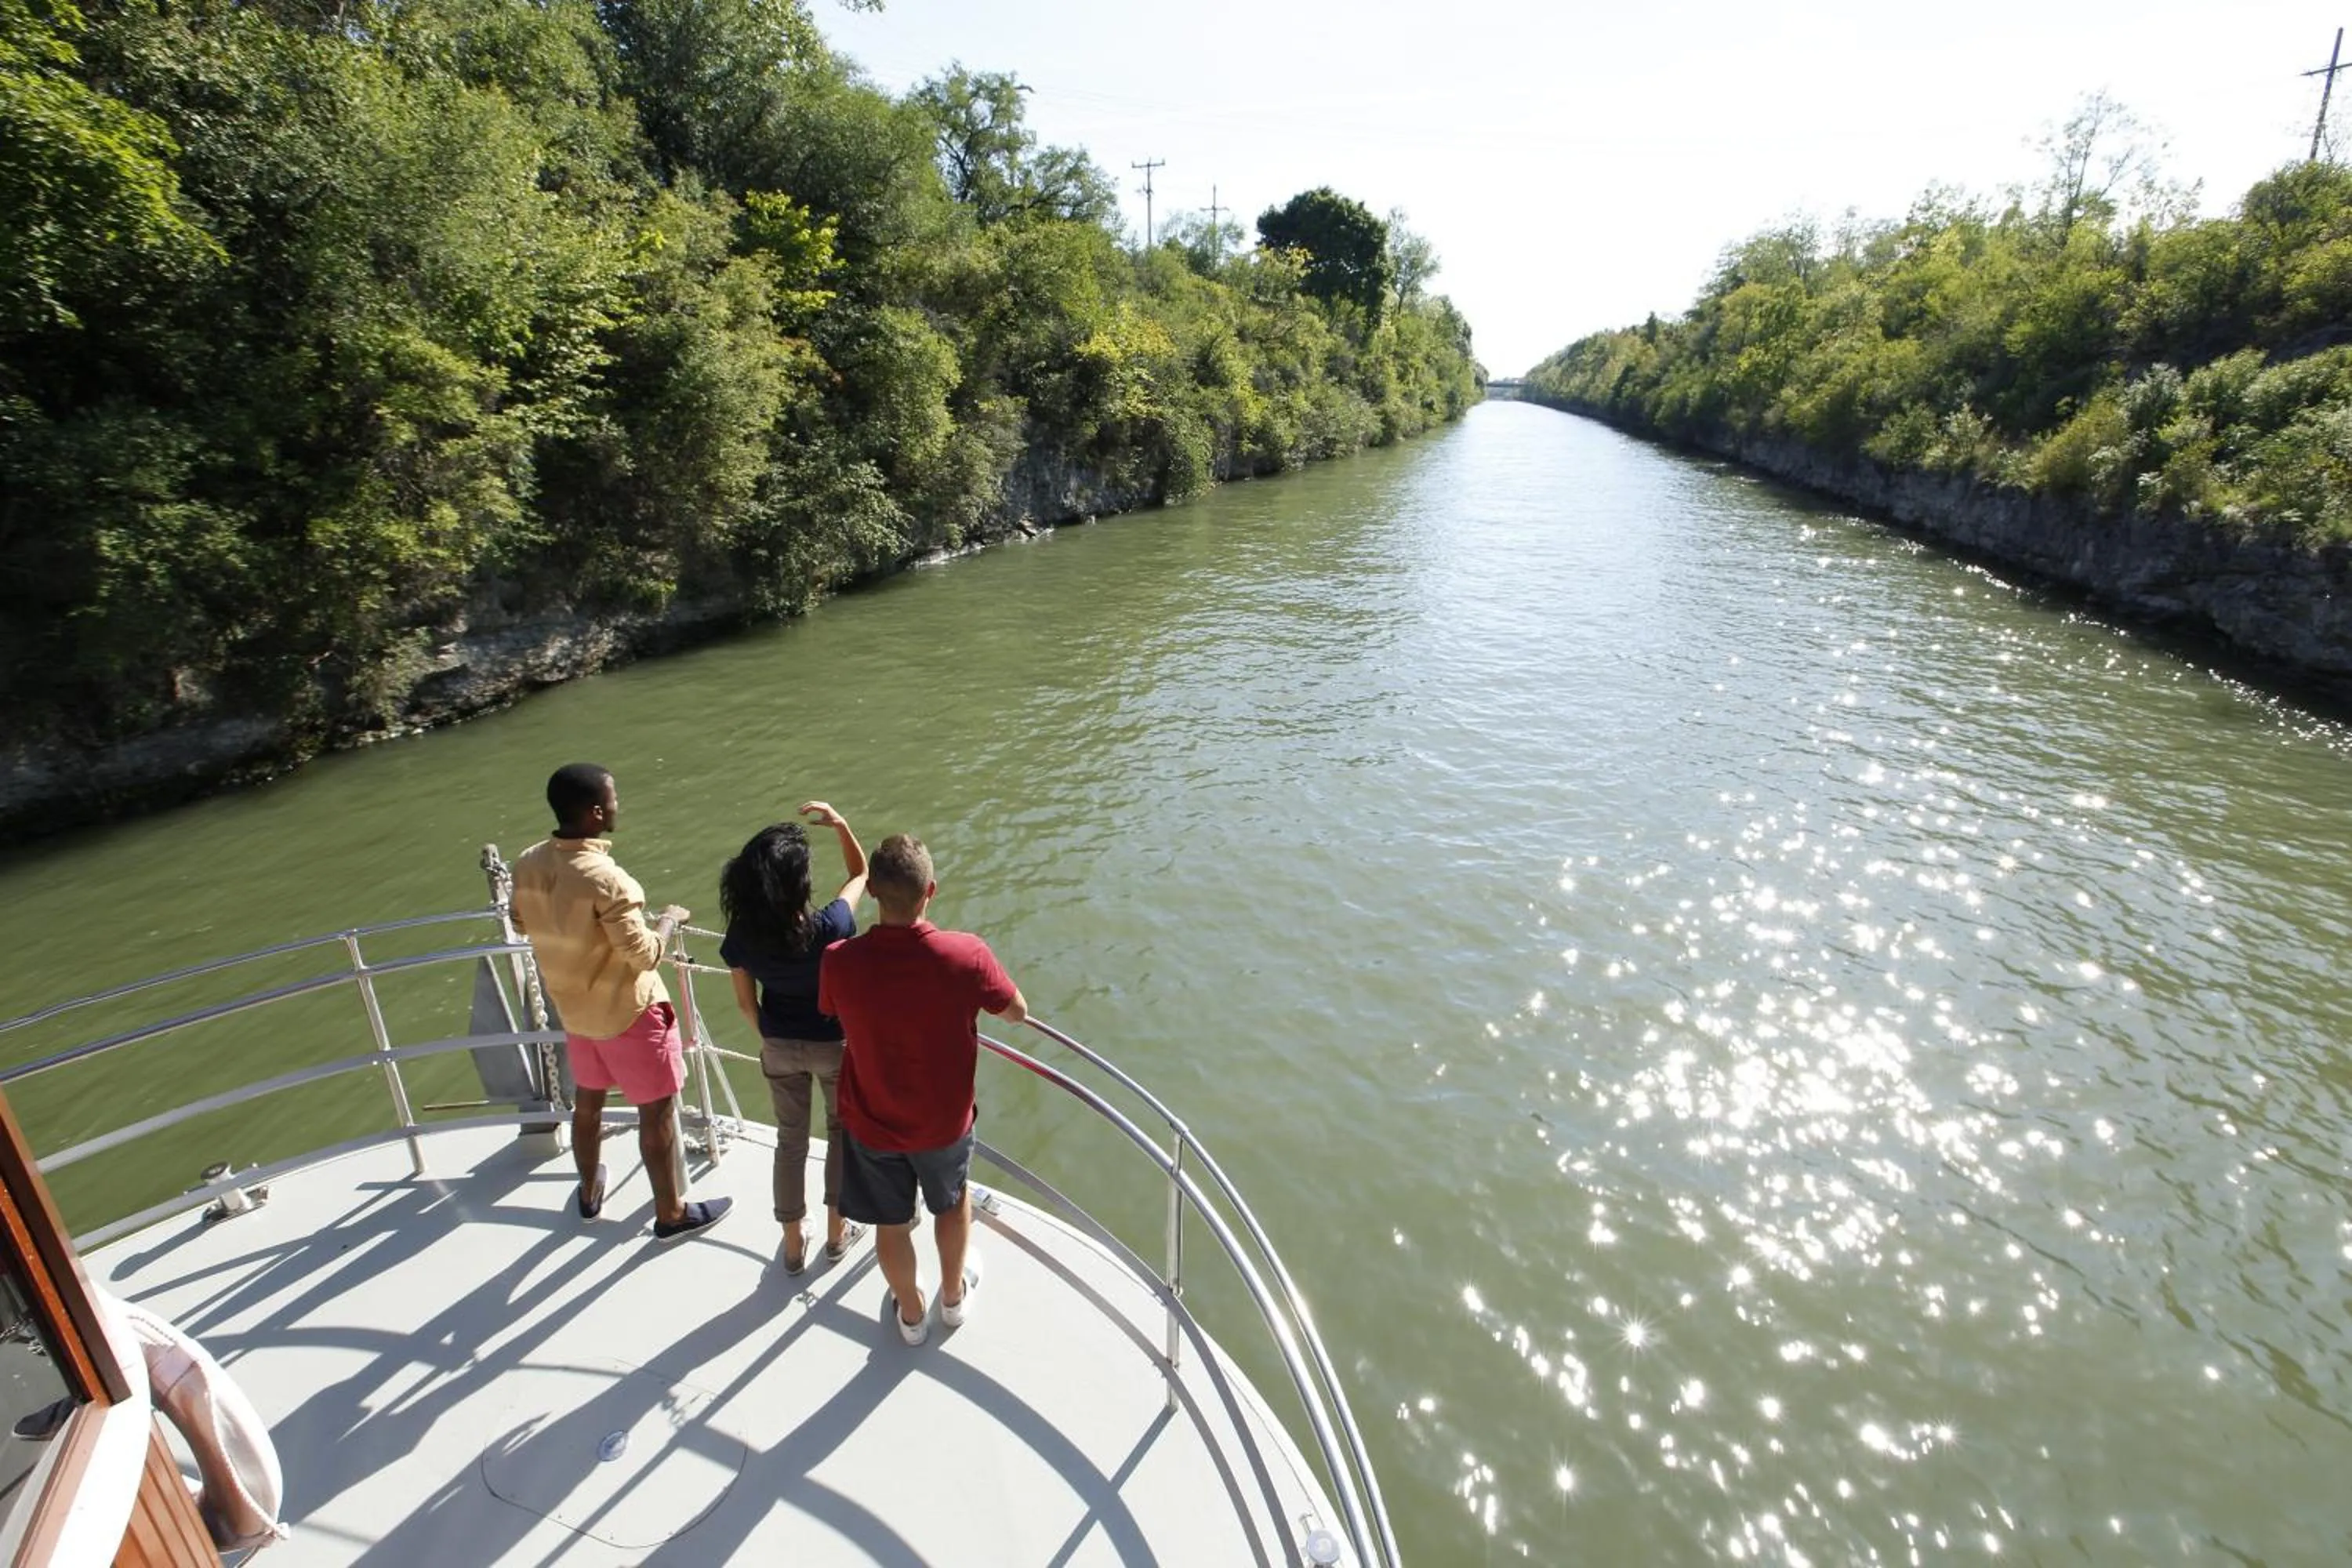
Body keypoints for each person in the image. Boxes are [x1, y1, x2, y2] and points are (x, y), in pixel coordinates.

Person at [510, 763, 731, 1243]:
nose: (617, 806)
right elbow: (645, 955)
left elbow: (522, 922)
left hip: (575, 1012)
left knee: (587, 1104)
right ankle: (671, 1213)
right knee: (657, 1113)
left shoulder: (528, 862)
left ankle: (589, 1192)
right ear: (595, 813)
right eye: (613, 800)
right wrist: (669, 919)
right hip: (629, 1013)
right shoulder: (607, 879)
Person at [819, 833, 1027, 1345]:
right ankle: (953, 1299)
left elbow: (829, 1010)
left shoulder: (840, 960)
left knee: (890, 1224)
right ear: (930, 890)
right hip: (943, 1122)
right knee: (951, 1204)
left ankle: (911, 1316)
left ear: (872, 894)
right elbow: (1017, 1011)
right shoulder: (966, 955)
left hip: (871, 1120)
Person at [719, 800, 869, 1275]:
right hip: (833, 1045)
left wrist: (772, 1035)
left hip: (779, 1044)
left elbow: (746, 1004)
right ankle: (835, 1232)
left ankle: (790, 1242)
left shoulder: (742, 935)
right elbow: (860, 873)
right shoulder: (830, 927)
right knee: (840, 1134)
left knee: (790, 1141)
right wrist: (841, 825)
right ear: (798, 883)